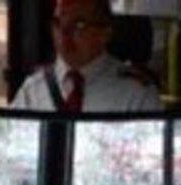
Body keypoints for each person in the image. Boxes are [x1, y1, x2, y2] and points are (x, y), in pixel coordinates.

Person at [15, 0, 162, 115]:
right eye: (58, 23)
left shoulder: (136, 95)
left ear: (105, 33)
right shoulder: (32, 91)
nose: (64, 37)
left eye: (79, 25)